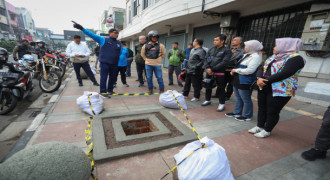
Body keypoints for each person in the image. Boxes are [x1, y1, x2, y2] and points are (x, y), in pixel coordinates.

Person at [248, 38, 305, 138]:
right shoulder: (274, 57)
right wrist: (258, 78)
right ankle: (259, 126)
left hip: (280, 90)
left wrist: (265, 81)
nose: (274, 48)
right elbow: (262, 67)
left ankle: (267, 130)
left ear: (286, 46)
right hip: (264, 86)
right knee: (262, 108)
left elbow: (286, 73)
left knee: (272, 111)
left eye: (276, 45)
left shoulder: (296, 58)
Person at [73, 21, 121, 98]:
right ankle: (103, 92)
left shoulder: (118, 42)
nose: (117, 34)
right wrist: (82, 28)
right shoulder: (103, 39)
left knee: (112, 78)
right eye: (115, 32)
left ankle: (110, 90)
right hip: (105, 63)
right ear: (110, 33)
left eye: (118, 33)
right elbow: (91, 34)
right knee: (104, 78)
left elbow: (120, 52)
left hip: (114, 64)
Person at [225, 40, 263, 121]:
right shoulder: (246, 55)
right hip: (237, 79)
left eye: (246, 46)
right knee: (239, 98)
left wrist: (236, 70)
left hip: (245, 81)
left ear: (252, 47)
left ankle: (247, 115)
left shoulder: (255, 57)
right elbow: (239, 66)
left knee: (246, 99)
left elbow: (250, 70)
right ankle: (237, 112)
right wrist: (233, 70)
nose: (245, 48)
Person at [202, 34, 232, 112]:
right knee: (208, 86)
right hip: (209, 72)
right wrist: (207, 68)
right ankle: (207, 100)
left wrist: (213, 69)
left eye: (216, 40)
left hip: (220, 73)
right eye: (214, 40)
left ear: (222, 41)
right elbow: (206, 59)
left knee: (221, 88)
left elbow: (224, 62)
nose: (214, 41)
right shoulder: (211, 49)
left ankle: (222, 104)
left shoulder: (227, 51)